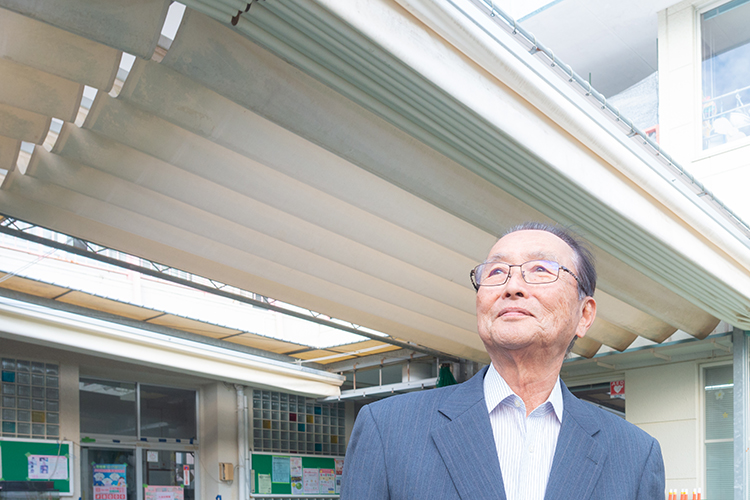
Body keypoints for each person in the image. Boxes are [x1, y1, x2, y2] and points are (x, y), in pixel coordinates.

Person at [340, 222, 665, 500]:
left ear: (584, 315)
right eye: (496, 272)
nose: (512, 286)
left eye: (540, 269)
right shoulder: (388, 429)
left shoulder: (634, 455)